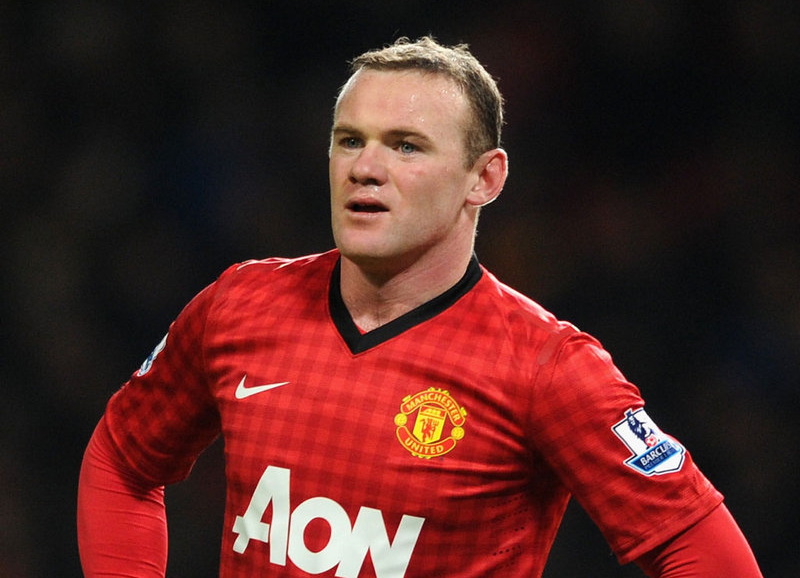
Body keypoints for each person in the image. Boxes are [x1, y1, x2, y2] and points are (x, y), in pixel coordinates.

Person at [77, 36, 763, 578]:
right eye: (350, 139)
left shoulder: (546, 368)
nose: (365, 167)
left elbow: (703, 551)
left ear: (484, 178)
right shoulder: (241, 307)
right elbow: (123, 458)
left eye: (406, 145)